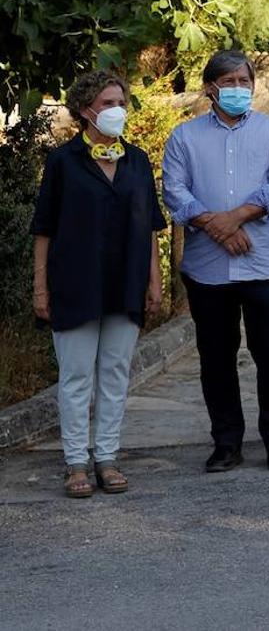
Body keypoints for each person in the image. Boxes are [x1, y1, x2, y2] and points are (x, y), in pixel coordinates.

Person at [163, 50, 269, 472]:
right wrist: (216, 227)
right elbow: (175, 192)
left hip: (264, 265)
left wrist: (233, 219)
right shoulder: (184, 138)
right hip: (208, 270)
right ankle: (226, 442)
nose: (240, 88)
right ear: (210, 88)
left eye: (245, 81)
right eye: (230, 81)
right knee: (217, 358)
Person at [31, 71, 164, 497]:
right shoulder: (63, 162)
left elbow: (150, 229)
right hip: (74, 283)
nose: (117, 111)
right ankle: (75, 463)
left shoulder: (137, 160)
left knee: (115, 372)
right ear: (85, 110)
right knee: (75, 377)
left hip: (125, 283)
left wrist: (155, 282)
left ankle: (106, 457)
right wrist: (40, 287)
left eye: (121, 102)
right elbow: (44, 230)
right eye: (108, 104)